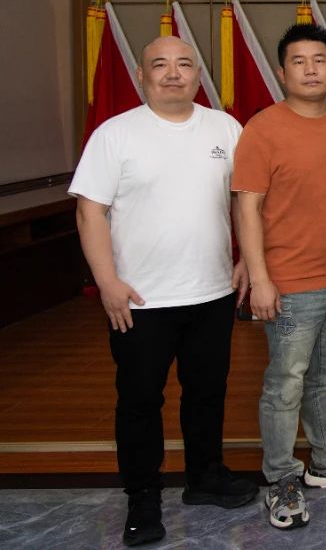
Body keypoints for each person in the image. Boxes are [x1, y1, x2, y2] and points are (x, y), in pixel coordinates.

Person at [70, 35, 257, 547]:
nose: (173, 73)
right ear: (141, 75)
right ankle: (143, 497)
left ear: (198, 74)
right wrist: (107, 282)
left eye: (184, 64)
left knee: (207, 392)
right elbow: (89, 212)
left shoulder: (225, 128)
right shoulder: (115, 135)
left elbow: (244, 201)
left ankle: (205, 477)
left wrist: (247, 258)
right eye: (160, 65)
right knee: (139, 400)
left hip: (212, 291)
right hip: (139, 300)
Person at [233, 23, 326, 530]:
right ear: (282, 72)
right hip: (289, 283)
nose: (311, 70)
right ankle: (280, 478)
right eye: (299, 61)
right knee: (285, 384)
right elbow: (247, 208)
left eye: (319, 60)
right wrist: (260, 278)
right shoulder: (262, 130)